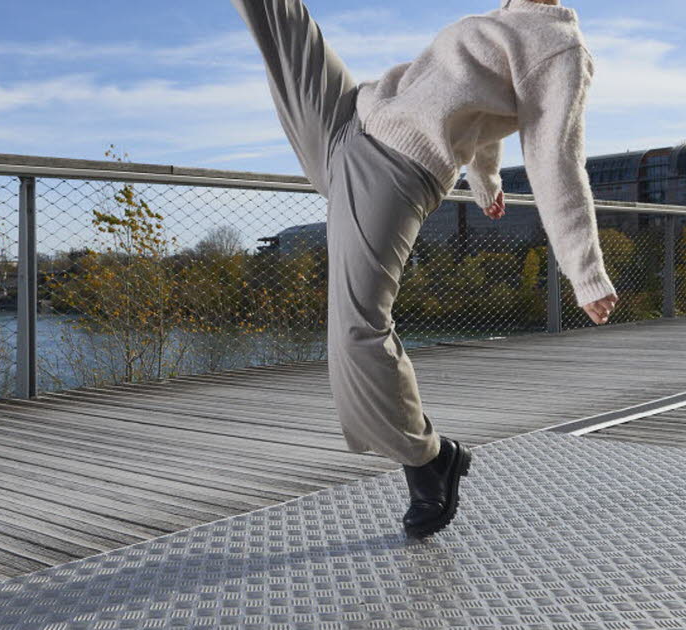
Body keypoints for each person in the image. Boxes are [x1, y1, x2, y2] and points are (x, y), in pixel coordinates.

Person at [230, 0, 619, 539]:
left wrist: (586, 271)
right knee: (278, 14)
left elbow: (555, 155)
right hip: (348, 118)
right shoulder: (500, 19)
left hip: (391, 170)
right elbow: (480, 110)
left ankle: (428, 458)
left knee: (357, 326)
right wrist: (486, 179)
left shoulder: (560, 48)